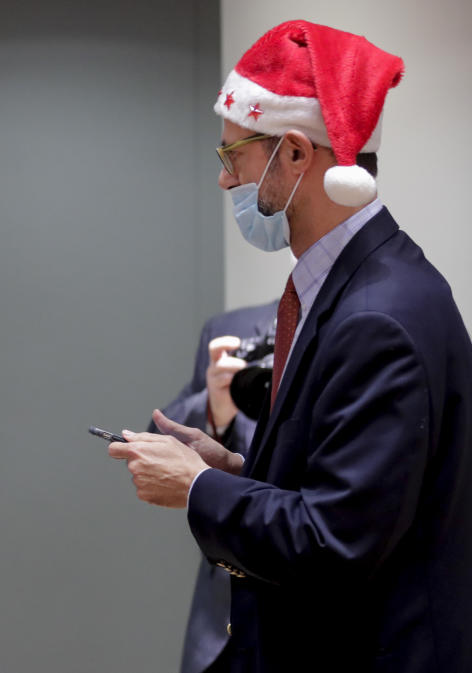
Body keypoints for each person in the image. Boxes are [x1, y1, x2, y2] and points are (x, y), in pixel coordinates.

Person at [110, 20, 472, 672]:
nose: (225, 182)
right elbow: (336, 490)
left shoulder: (378, 316)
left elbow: (335, 540)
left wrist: (197, 487)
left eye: (234, 156)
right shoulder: (349, 286)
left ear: (298, 154)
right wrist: (229, 464)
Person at [152, 301, 276, 673]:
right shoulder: (232, 328)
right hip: (220, 617)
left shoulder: (353, 328)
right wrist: (214, 409)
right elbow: (161, 438)